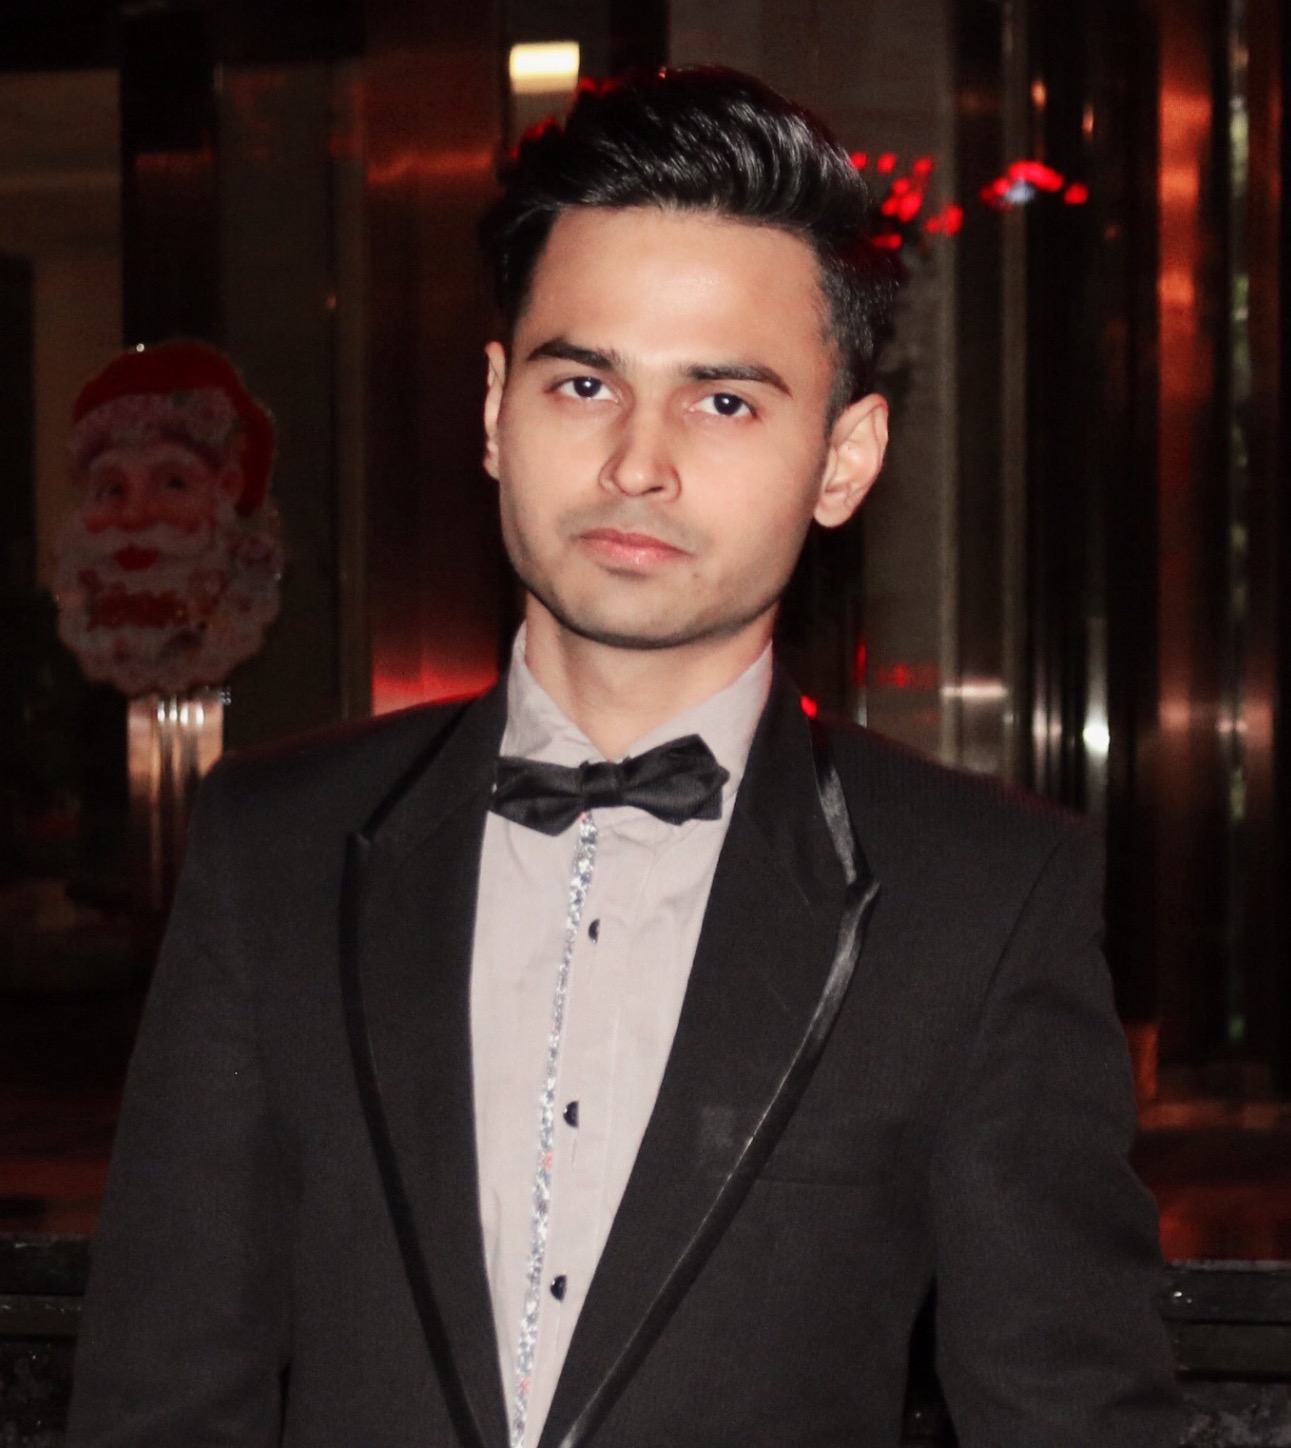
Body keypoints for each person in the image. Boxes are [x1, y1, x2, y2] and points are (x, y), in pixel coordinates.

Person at [67, 67, 1183, 1448]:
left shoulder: (980, 896)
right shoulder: (274, 846)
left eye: (724, 402)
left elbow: (1070, 1416)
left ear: (843, 458)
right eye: (584, 382)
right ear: (495, 408)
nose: (635, 463)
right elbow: (163, 1394)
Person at [55, 341, 282, 696]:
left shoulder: (268, 631)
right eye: (112, 489)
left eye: (172, 483)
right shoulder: (59, 643)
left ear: (227, 487)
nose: (134, 516)